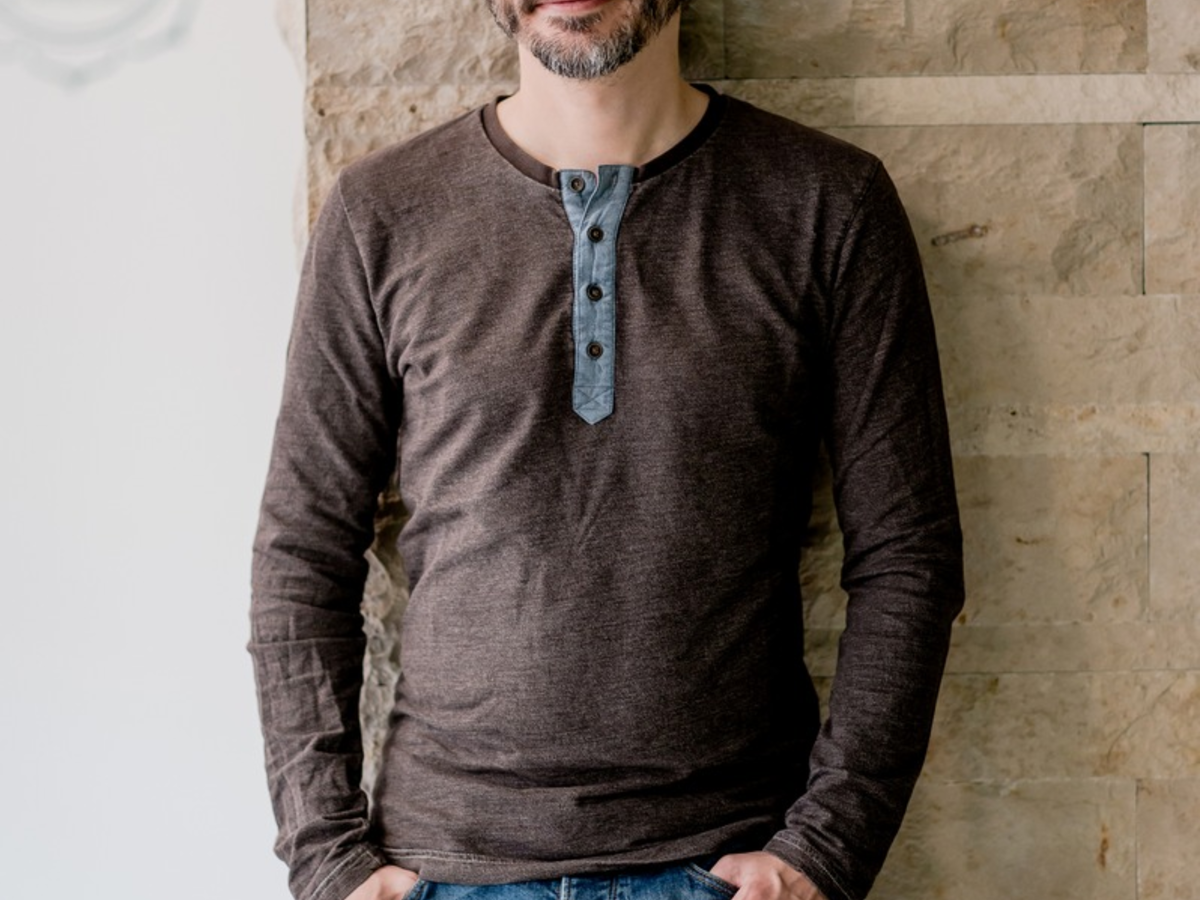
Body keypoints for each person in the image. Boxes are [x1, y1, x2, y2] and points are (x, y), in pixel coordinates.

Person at [249, 2, 965, 900]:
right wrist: (327, 862)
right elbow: (302, 554)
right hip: (445, 868)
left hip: (728, 865)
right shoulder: (380, 212)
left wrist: (828, 850)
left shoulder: (828, 202)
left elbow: (909, 554)